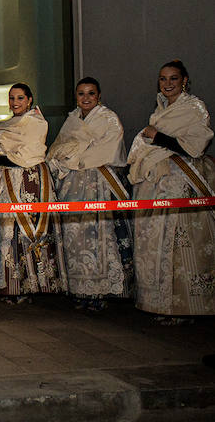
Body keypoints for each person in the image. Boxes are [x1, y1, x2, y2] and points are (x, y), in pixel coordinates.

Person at [127, 60, 215, 322]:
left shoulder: (193, 108)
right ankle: (160, 305)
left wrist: (158, 138)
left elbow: (196, 146)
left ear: (184, 80)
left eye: (173, 79)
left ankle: (187, 307)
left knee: (180, 245)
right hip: (158, 184)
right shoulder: (161, 110)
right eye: (163, 79)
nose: (167, 84)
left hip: (182, 183)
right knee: (156, 244)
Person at [47, 77, 133, 311]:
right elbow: (58, 148)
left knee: (97, 237)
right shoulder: (72, 120)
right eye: (81, 94)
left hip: (98, 183)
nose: (86, 98)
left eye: (91, 94)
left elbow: (107, 151)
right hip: (72, 185)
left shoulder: (108, 120)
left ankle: (100, 291)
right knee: (75, 236)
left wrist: (74, 157)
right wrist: (68, 157)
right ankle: (79, 289)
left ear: (99, 96)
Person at [0, 83, 66, 303]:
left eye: (20, 98)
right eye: (12, 98)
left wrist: (0, 158)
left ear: (29, 100)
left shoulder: (37, 123)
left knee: (32, 232)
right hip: (7, 180)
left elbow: (29, 154)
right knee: (8, 231)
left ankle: (37, 285)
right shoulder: (6, 125)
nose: (15, 103)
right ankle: (12, 286)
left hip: (32, 182)